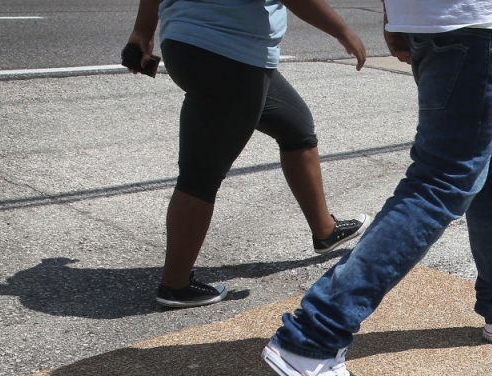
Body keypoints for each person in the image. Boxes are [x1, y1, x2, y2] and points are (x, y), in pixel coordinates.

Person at [262, 0, 492, 376]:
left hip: (437, 17)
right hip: (475, 19)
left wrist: (394, 12)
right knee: (443, 178)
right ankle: (313, 335)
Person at [125, 0, 369, 309]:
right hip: (228, 53)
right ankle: (175, 284)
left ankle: (325, 230)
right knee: (201, 175)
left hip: (194, 44)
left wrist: (143, 32)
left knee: (295, 126)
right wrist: (343, 31)